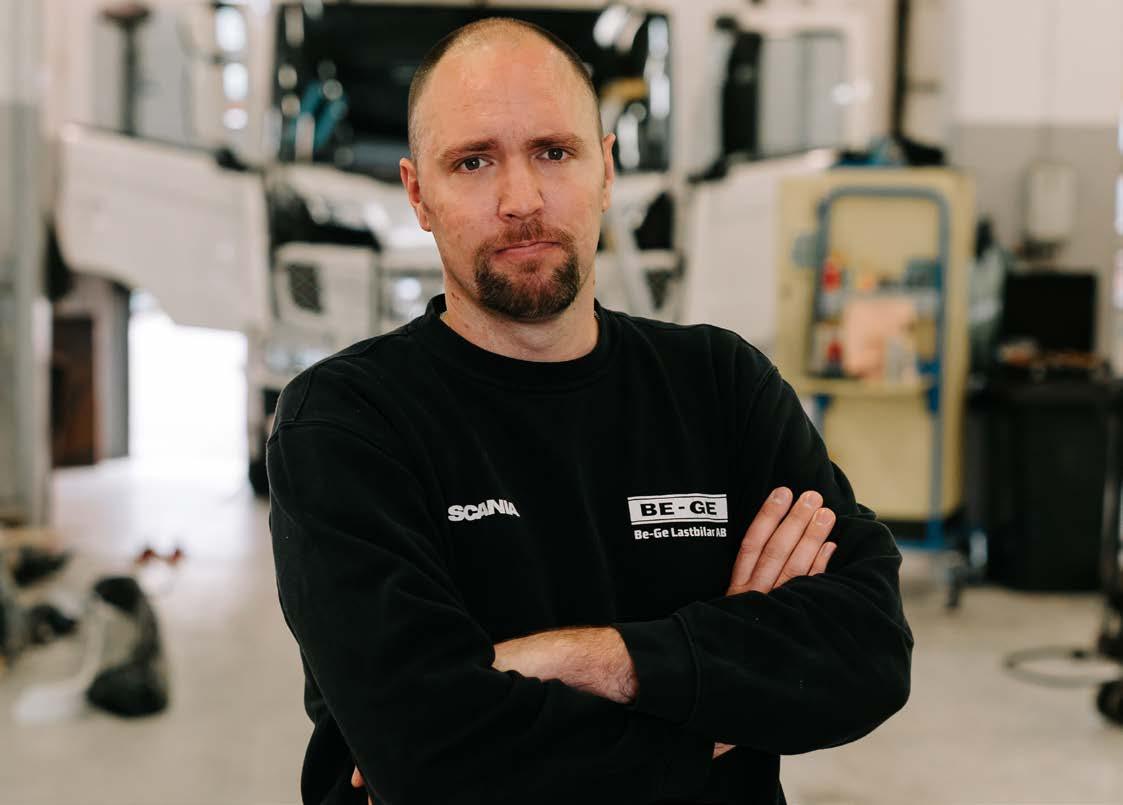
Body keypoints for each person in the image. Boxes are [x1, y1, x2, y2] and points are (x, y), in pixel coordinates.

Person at [268, 17, 913, 805]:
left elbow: (866, 650)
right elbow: (428, 754)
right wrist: (720, 684)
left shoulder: (719, 384)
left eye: (553, 152)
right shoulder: (347, 423)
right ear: (418, 194)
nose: (521, 199)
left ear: (605, 171)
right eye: (472, 161)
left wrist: (588, 658)